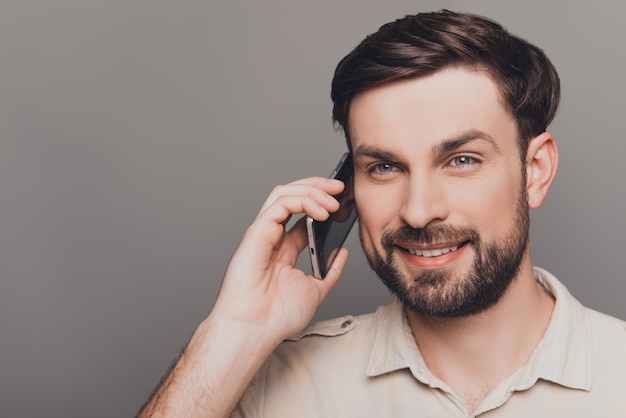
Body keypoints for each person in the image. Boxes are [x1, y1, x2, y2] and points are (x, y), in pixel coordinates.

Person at [138, 10, 626, 417]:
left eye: (461, 160)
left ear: (535, 170)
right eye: (385, 167)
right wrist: (236, 331)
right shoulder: (272, 388)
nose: (418, 211)